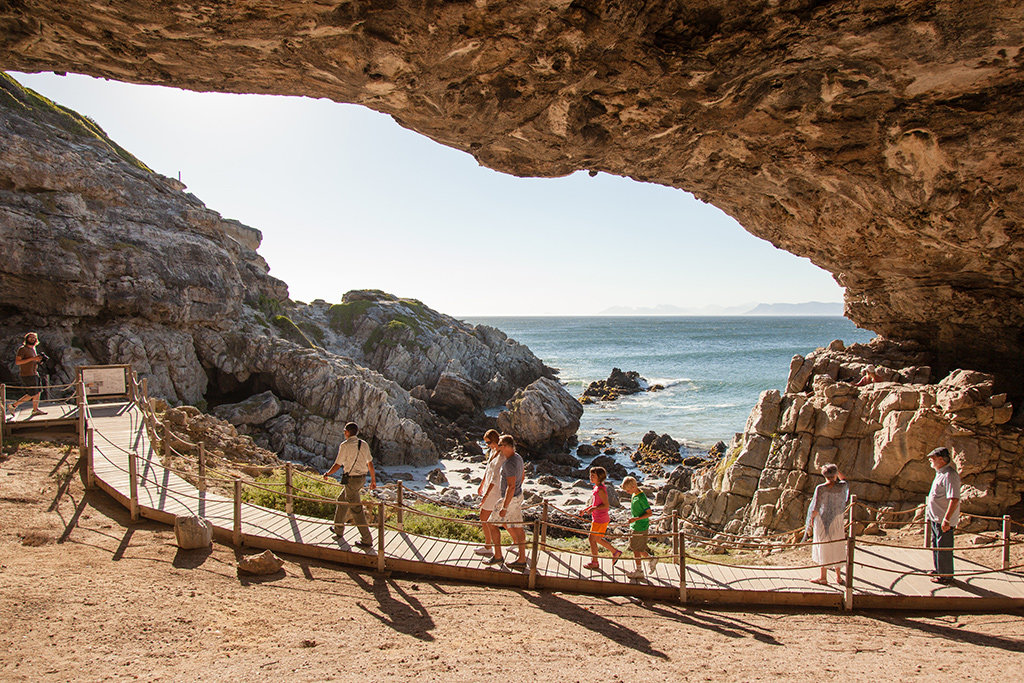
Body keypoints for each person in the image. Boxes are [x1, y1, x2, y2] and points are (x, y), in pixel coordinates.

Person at [323, 422, 376, 548]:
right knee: (342, 500)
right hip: (362, 479)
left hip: (351, 480)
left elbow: (337, 464)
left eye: (344, 431)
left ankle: (367, 539)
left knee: (356, 510)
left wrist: (328, 473)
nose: (344, 433)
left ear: (347, 432)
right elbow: (370, 463)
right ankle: (338, 528)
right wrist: (373, 480)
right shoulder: (363, 444)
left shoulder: (345, 445)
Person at [486, 434, 528, 569]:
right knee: (518, 528)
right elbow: (522, 477)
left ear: (505, 446)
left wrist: (504, 507)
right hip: (518, 496)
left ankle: (498, 556)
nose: (498, 448)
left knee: (491, 524)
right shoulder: (518, 458)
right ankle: (522, 559)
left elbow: (510, 486)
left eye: (500, 445)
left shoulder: (509, 463)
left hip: (509, 498)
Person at [805, 463, 849, 585]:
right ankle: (839, 577)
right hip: (837, 519)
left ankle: (823, 577)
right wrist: (837, 471)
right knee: (837, 544)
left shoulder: (821, 488)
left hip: (822, 519)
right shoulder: (842, 486)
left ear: (824, 475)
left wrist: (812, 520)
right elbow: (845, 479)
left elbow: (816, 507)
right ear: (835, 474)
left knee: (824, 545)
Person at [926, 447, 961, 584]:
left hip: (943, 519)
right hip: (936, 517)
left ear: (941, 459)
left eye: (933, 458)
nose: (930, 460)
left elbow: (954, 498)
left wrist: (947, 519)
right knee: (936, 545)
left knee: (944, 546)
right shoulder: (940, 473)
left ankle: (945, 575)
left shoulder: (950, 475)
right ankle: (939, 569)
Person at [581, 466, 622, 570]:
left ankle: (595, 562)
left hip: (600, 518)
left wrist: (594, 508)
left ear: (599, 477)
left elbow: (606, 505)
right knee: (597, 539)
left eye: (593, 476)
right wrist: (586, 509)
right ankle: (615, 552)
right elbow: (595, 503)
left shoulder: (601, 490)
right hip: (599, 518)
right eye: (590, 475)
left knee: (592, 539)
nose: (590, 477)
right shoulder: (596, 488)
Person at [621, 476, 656, 580]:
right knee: (636, 547)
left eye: (628, 490)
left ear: (633, 486)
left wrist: (636, 519)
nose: (627, 492)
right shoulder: (634, 495)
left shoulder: (641, 498)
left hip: (640, 526)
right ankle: (650, 560)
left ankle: (639, 570)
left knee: (636, 548)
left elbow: (649, 513)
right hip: (635, 525)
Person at [474, 429, 502, 557]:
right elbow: (488, 470)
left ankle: (488, 546)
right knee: (495, 519)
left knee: (484, 517)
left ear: (496, 439)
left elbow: (496, 477)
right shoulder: (492, 451)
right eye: (486, 443)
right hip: (488, 488)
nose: (488, 445)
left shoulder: (502, 455)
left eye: (489, 442)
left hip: (495, 491)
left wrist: (486, 495)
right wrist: (481, 484)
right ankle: (517, 542)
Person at [6, 332, 47, 419]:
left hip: (34, 373)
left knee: (38, 392)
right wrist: (33, 358)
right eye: (30, 337)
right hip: (27, 374)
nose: (32, 339)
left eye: (34, 338)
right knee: (32, 393)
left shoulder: (33, 349)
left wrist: (38, 360)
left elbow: (32, 361)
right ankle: (13, 405)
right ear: (26, 339)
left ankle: (35, 410)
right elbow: (18, 362)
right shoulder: (22, 349)